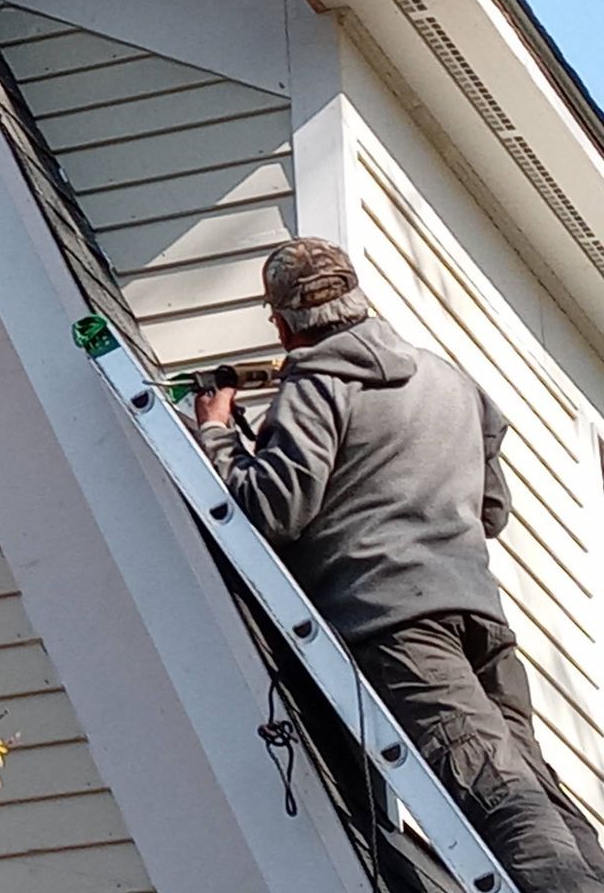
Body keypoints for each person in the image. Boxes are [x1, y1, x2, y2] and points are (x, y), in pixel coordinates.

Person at [195, 236, 604, 893]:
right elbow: (490, 512)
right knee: (527, 777)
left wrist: (216, 432)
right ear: (357, 296)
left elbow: (273, 509)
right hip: (474, 611)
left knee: (490, 784)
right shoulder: (451, 381)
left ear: (281, 320)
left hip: (392, 618)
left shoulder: (318, 383)